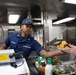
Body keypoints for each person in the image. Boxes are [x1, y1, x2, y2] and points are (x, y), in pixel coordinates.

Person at [0, 18, 64, 60]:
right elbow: (3, 47)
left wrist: (58, 52)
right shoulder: (12, 36)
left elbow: (44, 54)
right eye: (27, 26)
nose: (29, 28)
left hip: (23, 65)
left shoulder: (33, 42)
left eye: (31, 27)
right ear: (21, 27)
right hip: (9, 62)